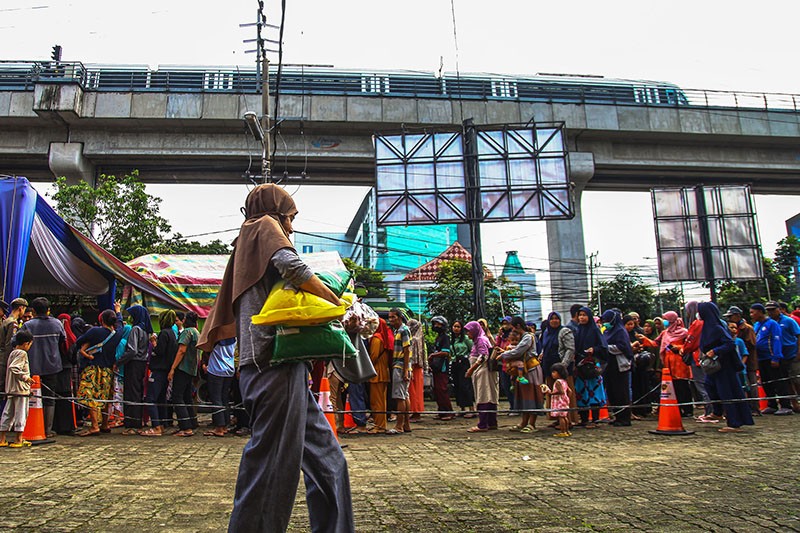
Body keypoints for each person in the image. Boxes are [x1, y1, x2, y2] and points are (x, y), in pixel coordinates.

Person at [197, 184, 353, 532]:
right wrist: (336, 304)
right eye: (292, 217)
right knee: (270, 468)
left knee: (329, 459)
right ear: (275, 209)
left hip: (282, 368)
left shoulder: (247, 242)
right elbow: (293, 267)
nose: (293, 227)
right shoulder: (262, 226)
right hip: (271, 366)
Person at [698, 302, 755, 433]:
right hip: (715, 367)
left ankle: (734, 422)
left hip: (724, 366)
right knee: (709, 386)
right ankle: (717, 411)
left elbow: (729, 344)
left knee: (727, 392)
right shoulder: (708, 327)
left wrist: (715, 351)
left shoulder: (717, 328)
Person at [19, 297, 66, 438]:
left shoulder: (28, 325)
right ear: (48, 310)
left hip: (32, 368)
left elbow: (15, 341)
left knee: (29, 398)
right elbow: (63, 342)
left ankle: (29, 427)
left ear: (33, 311)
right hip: (53, 366)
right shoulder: (57, 323)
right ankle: (47, 429)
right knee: (49, 398)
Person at [75, 308, 121, 436]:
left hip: (93, 367)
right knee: (106, 396)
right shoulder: (117, 334)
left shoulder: (95, 331)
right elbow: (121, 324)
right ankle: (105, 423)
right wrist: (118, 312)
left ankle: (95, 425)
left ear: (101, 320)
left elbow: (78, 342)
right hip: (108, 369)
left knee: (91, 396)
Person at [500, 316, 544, 433]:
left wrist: (504, 355)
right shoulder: (522, 337)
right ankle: (524, 422)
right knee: (524, 396)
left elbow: (518, 351)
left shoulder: (528, 337)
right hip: (524, 370)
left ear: (518, 326)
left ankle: (532, 423)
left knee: (532, 395)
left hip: (531, 369)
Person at [140, 310, 179, 437]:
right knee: (162, 398)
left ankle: (156, 426)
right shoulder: (172, 334)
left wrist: (154, 343)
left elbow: (160, 351)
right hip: (166, 370)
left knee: (151, 398)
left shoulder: (163, 334)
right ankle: (161, 424)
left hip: (158, 371)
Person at [116, 305, 153, 435]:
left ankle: (131, 424)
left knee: (131, 393)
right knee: (137, 392)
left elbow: (132, 350)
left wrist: (119, 361)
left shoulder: (135, 329)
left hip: (133, 363)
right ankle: (137, 422)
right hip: (142, 363)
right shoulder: (145, 330)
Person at [750, 303, 791, 415]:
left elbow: (776, 340)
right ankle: (772, 404)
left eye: (753, 312)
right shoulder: (757, 325)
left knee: (779, 382)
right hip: (762, 359)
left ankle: (785, 405)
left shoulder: (772, 324)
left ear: (760, 312)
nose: (751, 315)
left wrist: (776, 357)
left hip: (772, 358)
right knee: (766, 383)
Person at [539, 311, 577, 427]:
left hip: (562, 368)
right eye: (552, 319)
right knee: (553, 394)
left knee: (565, 393)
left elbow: (570, 349)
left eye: (557, 319)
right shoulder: (546, 332)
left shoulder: (565, 331)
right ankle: (557, 418)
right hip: (549, 367)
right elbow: (545, 347)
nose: (554, 321)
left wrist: (563, 366)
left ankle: (569, 420)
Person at [0, 329, 35, 448]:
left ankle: (2, 438)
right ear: (26, 343)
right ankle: (18, 438)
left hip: (11, 389)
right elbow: (14, 368)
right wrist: (26, 378)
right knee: (21, 413)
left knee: (8, 413)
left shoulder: (13, 352)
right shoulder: (22, 353)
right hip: (20, 390)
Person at [573, 307, 607, 428]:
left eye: (584, 315)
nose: (582, 317)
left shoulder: (595, 330)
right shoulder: (578, 330)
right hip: (580, 365)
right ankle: (584, 419)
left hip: (592, 366)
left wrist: (594, 349)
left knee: (594, 391)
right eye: (580, 315)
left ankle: (595, 419)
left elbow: (604, 347)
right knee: (581, 392)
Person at [169, 311, 200, 436]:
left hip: (183, 368)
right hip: (192, 368)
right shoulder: (196, 332)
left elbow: (181, 350)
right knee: (187, 397)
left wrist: (172, 368)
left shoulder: (187, 332)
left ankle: (185, 427)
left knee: (177, 396)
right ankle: (191, 422)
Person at [723, 305, 759, 415]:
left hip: (748, 361)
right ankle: (744, 408)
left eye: (731, 316)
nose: (729, 319)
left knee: (751, 385)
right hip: (735, 363)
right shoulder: (728, 331)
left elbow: (751, 344)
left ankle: (755, 408)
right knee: (741, 386)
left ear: (737, 316)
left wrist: (739, 343)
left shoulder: (747, 328)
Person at [681, 301, 714, 421]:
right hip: (710, 358)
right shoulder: (713, 322)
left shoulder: (697, 324)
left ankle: (710, 412)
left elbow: (691, 342)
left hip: (698, 358)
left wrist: (683, 350)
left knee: (702, 386)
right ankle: (715, 411)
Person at [764, 301, 798, 416]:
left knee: (796, 379)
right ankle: (793, 404)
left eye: (773, 309)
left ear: (780, 309)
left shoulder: (788, 321)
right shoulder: (769, 323)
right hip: (778, 355)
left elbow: (798, 336)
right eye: (768, 310)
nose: (771, 312)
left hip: (792, 354)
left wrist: (799, 353)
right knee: (785, 381)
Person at [464, 320, 499, 432]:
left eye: (469, 332)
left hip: (483, 371)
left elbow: (483, 356)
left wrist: (471, 369)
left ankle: (483, 424)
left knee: (483, 396)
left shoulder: (480, 340)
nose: (467, 334)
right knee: (489, 396)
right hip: (482, 372)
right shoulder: (478, 340)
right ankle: (492, 422)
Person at [600, 309, 633, 426]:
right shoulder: (607, 331)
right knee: (612, 392)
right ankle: (617, 416)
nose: (605, 322)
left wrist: (606, 347)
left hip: (620, 365)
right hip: (609, 366)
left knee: (621, 393)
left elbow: (622, 347)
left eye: (607, 320)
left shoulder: (620, 331)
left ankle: (624, 418)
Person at [387, 308, 412, 435]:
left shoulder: (403, 330)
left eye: (393, 317)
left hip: (400, 365)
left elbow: (407, 350)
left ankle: (399, 425)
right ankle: (406, 424)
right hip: (400, 365)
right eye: (390, 317)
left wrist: (406, 370)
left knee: (399, 397)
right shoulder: (397, 330)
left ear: (400, 317)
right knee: (405, 395)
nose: (391, 319)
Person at [204, 338, 236, 437]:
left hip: (216, 370)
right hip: (229, 369)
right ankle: (225, 425)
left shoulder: (216, 339)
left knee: (216, 398)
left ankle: (219, 427)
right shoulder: (233, 339)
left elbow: (205, 346)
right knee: (224, 398)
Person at [0, 298, 27, 411]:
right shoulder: (13, 323)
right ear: (21, 308)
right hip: (4, 360)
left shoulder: (5, 321)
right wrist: (9, 363)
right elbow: (9, 345)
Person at [53, 313, 77, 435]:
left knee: (54, 397)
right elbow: (73, 355)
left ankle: (55, 425)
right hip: (67, 370)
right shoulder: (71, 337)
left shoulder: (56, 336)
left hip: (55, 369)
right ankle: (67, 426)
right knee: (66, 397)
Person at [367, 318, 392, 434]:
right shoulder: (383, 337)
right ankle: (379, 424)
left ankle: (380, 426)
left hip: (377, 373)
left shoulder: (377, 339)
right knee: (381, 401)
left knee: (377, 401)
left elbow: (373, 356)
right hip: (382, 372)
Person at [428, 316, 454, 420]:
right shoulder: (438, 337)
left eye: (438, 324)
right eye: (435, 324)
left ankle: (449, 412)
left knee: (442, 389)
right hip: (436, 367)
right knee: (437, 390)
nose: (436, 326)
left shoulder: (445, 337)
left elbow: (446, 352)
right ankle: (441, 411)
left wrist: (433, 356)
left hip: (442, 367)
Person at [450, 320, 475, 416]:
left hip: (464, 363)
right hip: (454, 363)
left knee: (465, 385)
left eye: (458, 327)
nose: (456, 328)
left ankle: (471, 408)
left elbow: (472, 350)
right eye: (454, 326)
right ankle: (462, 408)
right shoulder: (451, 340)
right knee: (457, 385)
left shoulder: (465, 339)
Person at [541, 362, 571, 437]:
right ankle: (567, 431)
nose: (552, 374)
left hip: (559, 401)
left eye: (554, 372)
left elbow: (561, 391)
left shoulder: (557, 382)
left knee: (561, 417)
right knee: (564, 416)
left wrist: (551, 393)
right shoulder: (564, 381)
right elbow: (569, 391)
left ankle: (563, 431)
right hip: (564, 401)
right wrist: (567, 398)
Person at [407, 318, 427, 422]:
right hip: (418, 368)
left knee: (413, 390)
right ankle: (416, 411)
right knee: (417, 390)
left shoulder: (413, 340)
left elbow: (412, 356)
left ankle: (415, 412)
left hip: (413, 367)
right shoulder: (420, 338)